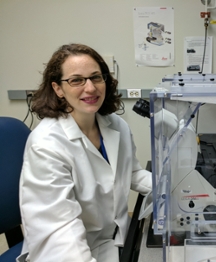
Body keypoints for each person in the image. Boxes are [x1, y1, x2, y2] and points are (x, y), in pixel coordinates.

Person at [17, 43, 152, 262]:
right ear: (58, 88)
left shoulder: (115, 124)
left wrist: (172, 189)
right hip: (71, 251)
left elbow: (132, 172)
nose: (90, 88)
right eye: (76, 80)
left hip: (116, 240)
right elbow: (60, 233)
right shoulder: (46, 144)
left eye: (96, 77)